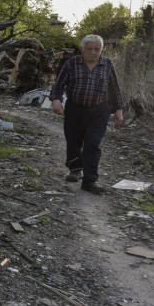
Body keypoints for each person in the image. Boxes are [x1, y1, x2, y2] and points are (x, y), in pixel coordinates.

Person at [49, 34, 124, 194]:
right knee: (73, 141)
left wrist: (118, 110)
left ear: (101, 50)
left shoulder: (107, 64)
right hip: (75, 108)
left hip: (100, 110)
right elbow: (59, 84)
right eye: (89, 49)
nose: (93, 52)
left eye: (97, 49)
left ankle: (90, 181)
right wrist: (56, 100)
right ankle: (75, 169)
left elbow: (114, 89)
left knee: (93, 143)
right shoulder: (72, 63)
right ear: (83, 49)